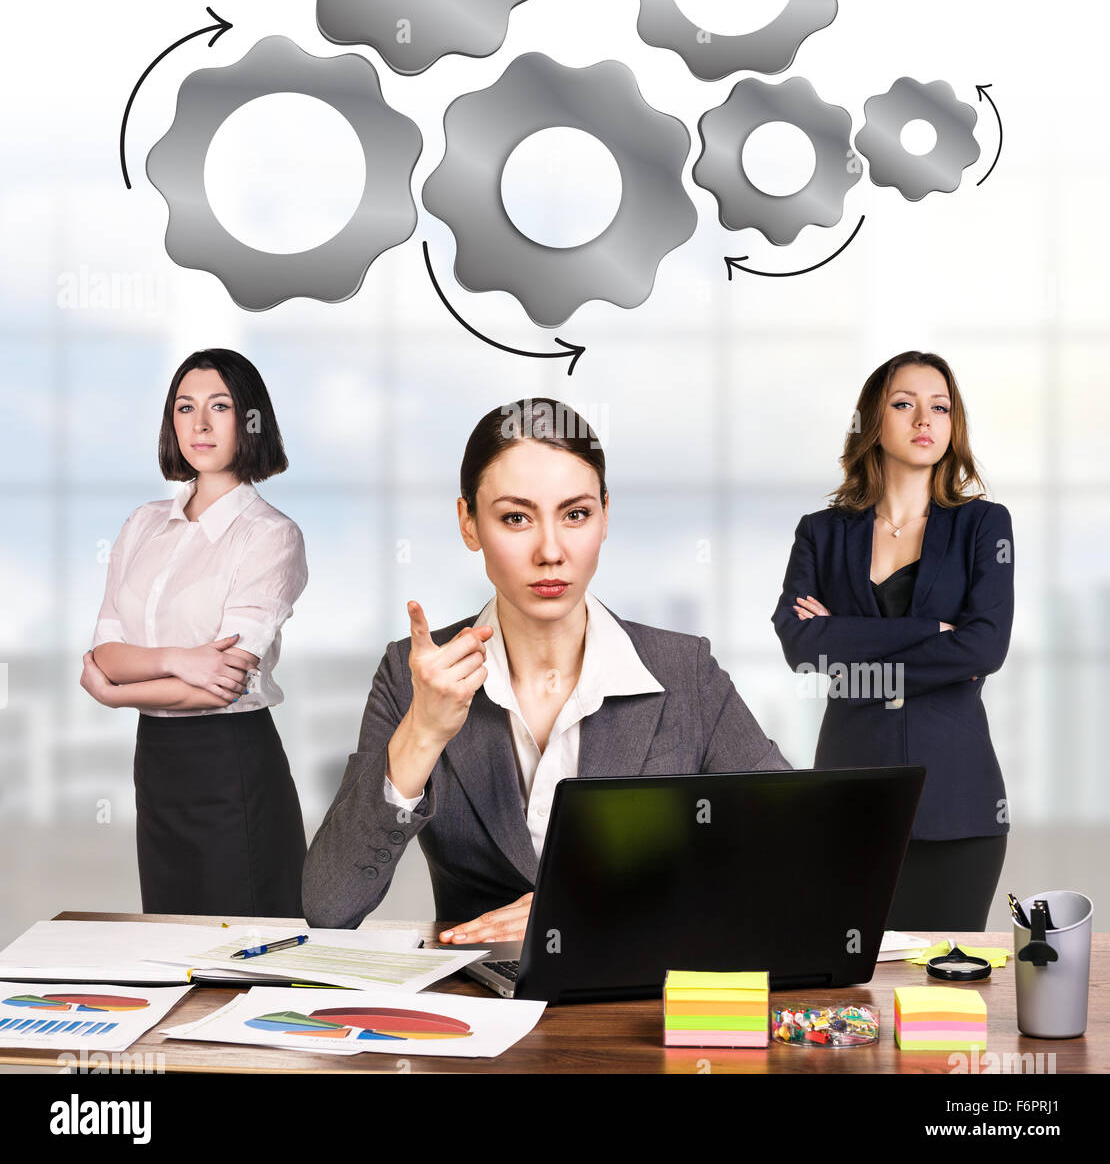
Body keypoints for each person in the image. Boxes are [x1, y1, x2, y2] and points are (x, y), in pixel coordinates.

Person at [302, 397, 790, 939]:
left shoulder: (684, 672)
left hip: (638, 1000)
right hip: (479, 1001)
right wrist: (423, 732)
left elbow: (795, 849)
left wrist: (592, 903)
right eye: (516, 518)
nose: (551, 551)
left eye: (576, 514)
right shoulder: (414, 673)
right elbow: (330, 905)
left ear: (605, 516)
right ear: (469, 524)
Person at [771, 352, 1014, 930]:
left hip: (958, 801)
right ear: (872, 423)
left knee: (944, 991)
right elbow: (801, 646)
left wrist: (848, 648)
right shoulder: (822, 532)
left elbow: (985, 648)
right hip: (849, 798)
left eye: (940, 407)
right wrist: (929, 633)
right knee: (848, 990)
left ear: (954, 426)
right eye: (904, 405)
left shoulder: (984, 525)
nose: (923, 420)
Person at [80, 348, 309, 917]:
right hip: (157, 762)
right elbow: (105, 652)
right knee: (171, 939)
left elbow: (221, 686)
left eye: (220, 407)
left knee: (245, 950)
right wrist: (180, 659)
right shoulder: (143, 523)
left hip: (231, 762)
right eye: (185, 407)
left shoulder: (270, 535)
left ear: (250, 419)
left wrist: (114, 694)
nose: (199, 424)